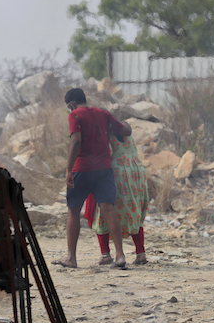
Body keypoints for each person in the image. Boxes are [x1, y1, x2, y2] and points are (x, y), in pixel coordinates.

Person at [51, 88, 132, 269]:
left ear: (72, 104)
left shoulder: (75, 116)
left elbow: (76, 141)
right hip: (104, 169)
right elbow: (123, 130)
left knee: (73, 211)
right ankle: (120, 255)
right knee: (109, 210)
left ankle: (71, 257)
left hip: (82, 169)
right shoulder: (103, 114)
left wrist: (68, 170)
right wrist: (128, 125)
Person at [85, 133, 149, 265]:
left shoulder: (104, 134)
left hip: (117, 173)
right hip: (137, 172)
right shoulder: (125, 130)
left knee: (102, 212)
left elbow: (103, 156)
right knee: (134, 212)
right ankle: (141, 253)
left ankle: (105, 254)